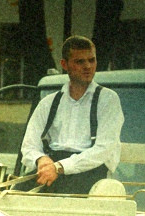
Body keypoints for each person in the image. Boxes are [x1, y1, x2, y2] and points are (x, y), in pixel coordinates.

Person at [18, 35, 124, 194]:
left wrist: (60, 167)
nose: (87, 66)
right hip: (51, 170)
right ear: (64, 64)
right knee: (13, 195)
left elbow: (103, 149)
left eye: (92, 60)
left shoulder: (108, 99)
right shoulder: (48, 103)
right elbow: (29, 145)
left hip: (89, 173)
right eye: (80, 61)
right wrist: (41, 159)